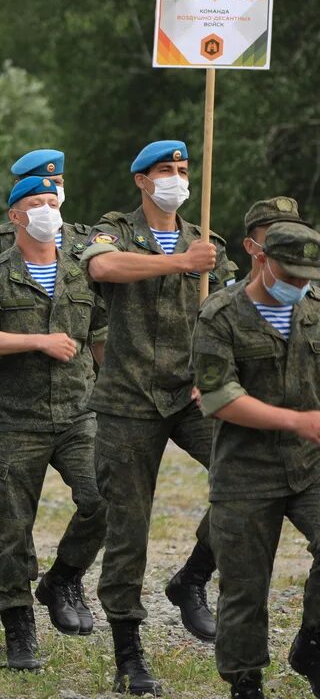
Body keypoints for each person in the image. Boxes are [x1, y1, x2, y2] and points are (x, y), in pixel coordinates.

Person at [82, 140, 238, 694]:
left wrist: (213, 370)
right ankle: (129, 652)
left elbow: (228, 312)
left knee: (247, 482)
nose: (176, 177)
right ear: (141, 181)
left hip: (192, 393)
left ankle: (193, 577)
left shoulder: (209, 241)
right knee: (129, 527)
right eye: (164, 171)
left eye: (182, 169)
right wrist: (178, 261)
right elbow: (102, 267)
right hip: (128, 398)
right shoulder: (115, 231)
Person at [0, 175, 108, 669]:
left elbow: (100, 336)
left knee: (103, 499)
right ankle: (18, 627)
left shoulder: (81, 273)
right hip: (12, 421)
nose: (49, 210)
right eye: (36, 204)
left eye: (53, 201)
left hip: (76, 413)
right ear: (16, 217)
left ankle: (63, 577)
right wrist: (36, 342)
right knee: (13, 527)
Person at [192, 219, 320, 699]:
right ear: (262, 259)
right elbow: (218, 397)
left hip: (310, 468)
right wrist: (297, 421)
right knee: (245, 588)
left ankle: (313, 643)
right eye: (290, 276)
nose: (299, 286)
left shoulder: (316, 308)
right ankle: (245, 682)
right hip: (245, 473)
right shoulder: (219, 315)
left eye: (308, 277)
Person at [0, 149, 94, 260]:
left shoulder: (87, 238)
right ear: (19, 186)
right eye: (40, 183)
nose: (52, 189)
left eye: (57, 182)